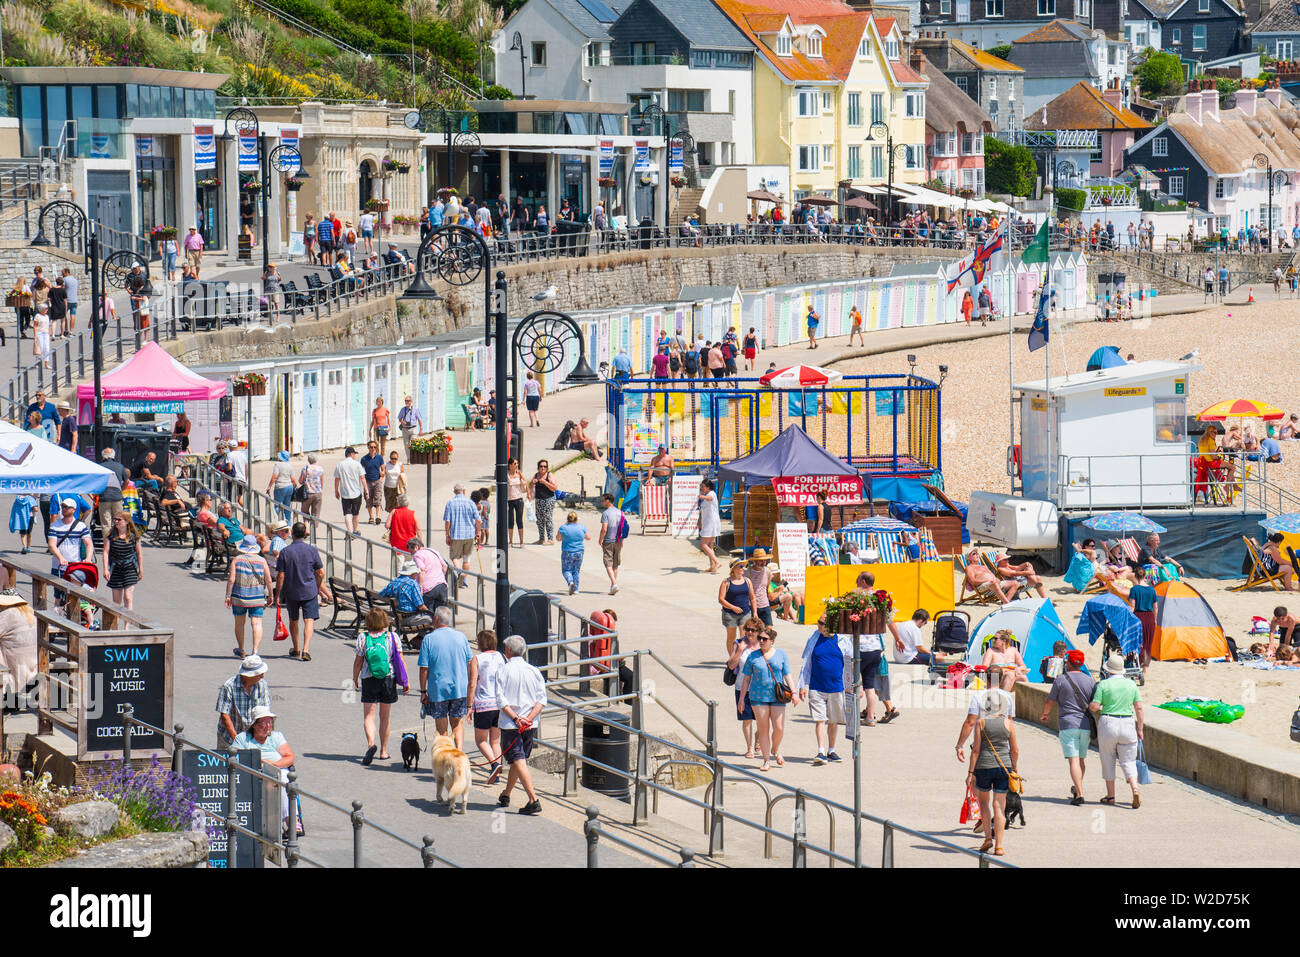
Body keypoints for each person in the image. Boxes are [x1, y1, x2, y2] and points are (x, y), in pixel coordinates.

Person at [496, 634, 547, 815]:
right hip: (530, 724)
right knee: (520, 760)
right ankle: (506, 793)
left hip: (511, 724)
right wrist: (529, 718)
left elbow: (501, 700)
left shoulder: (503, 671)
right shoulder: (534, 671)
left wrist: (517, 718)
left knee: (518, 760)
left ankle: (533, 799)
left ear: (508, 650)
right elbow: (541, 700)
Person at [352, 607, 409, 765]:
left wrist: (354, 679)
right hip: (388, 678)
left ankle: (371, 744)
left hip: (369, 678)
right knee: (385, 717)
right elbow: (401, 660)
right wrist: (405, 681)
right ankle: (383, 751)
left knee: (369, 716)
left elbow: (358, 661)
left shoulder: (363, 637)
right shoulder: (392, 636)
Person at [967, 689, 1019, 856]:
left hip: (983, 766)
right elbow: (1015, 750)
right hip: (1004, 767)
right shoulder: (1008, 724)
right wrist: (1015, 768)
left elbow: (976, 750)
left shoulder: (981, 723)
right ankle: (999, 846)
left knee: (984, 802)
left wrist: (970, 772)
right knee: (999, 805)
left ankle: (988, 838)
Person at [1040, 649, 1095, 806]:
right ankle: (1078, 789)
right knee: (1081, 760)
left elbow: (1050, 701)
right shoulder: (1089, 680)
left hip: (1067, 724)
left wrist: (1045, 714)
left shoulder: (1060, 680)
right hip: (1085, 724)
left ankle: (1080, 794)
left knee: (1073, 761)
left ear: (1068, 663)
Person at [1089, 653, 1144, 808]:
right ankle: (1135, 788)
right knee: (1128, 761)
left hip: (1108, 723)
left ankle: (1111, 795)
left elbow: (1094, 707)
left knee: (1108, 758)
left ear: (1108, 670)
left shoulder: (1104, 685)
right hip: (1127, 722)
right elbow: (1139, 708)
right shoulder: (1131, 685)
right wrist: (1140, 729)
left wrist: (1096, 706)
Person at [418, 606, 477, 750]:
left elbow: (424, 668)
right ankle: (459, 752)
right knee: (457, 723)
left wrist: (423, 691)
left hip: (438, 689)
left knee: (441, 724)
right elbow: (470, 661)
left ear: (436, 619)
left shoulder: (429, 639)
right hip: (459, 688)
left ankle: (446, 754)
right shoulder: (461, 637)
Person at [230, 706, 295, 831]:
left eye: (270, 722)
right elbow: (236, 759)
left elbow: (290, 757)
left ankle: (290, 820)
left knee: (282, 779)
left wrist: (273, 765)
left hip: (277, 770)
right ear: (254, 725)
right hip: (253, 772)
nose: (267, 726)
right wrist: (258, 762)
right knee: (277, 779)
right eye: (263, 723)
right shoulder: (243, 739)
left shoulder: (276, 737)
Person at [797, 616, 852, 765]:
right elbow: (806, 663)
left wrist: (852, 686)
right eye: (818, 622)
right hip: (816, 686)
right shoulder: (814, 638)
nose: (818, 625)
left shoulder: (843, 641)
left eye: (821, 623)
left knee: (833, 721)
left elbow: (850, 664)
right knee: (820, 720)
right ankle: (821, 751)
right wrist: (802, 685)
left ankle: (831, 750)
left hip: (836, 687)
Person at [737, 627, 791, 771]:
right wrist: (742, 699)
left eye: (764, 639)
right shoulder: (753, 656)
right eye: (760, 638)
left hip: (777, 696)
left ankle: (775, 749)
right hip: (758, 697)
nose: (761, 641)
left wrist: (794, 692)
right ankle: (766, 760)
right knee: (763, 729)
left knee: (779, 728)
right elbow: (746, 679)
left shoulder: (781, 654)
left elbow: (787, 674)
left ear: (771, 641)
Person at [275, 522, 328, 661]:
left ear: (292, 533)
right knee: (309, 620)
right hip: (309, 590)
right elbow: (321, 573)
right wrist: (317, 587)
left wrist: (277, 594)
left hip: (291, 590)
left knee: (294, 619)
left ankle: (296, 648)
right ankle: (306, 649)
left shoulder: (285, 552)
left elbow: (280, 575)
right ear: (305, 534)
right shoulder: (312, 550)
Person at [466, 629, 506, 784]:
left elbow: (472, 683)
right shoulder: (502, 657)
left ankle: (495, 764)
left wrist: (469, 705)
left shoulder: (477, 658)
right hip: (499, 704)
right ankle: (497, 772)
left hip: (483, 704)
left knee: (481, 740)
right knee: (495, 741)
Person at [226, 537, 272, 658]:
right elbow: (268, 580)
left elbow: (231, 579)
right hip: (257, 596)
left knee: (239, 623)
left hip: (239, 596)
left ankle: (241, 649)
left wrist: (228, 595)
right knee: (257, 623)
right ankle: (255, 651)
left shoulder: (236, 560)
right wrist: (271, 595)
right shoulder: (262, 560)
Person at [215, 654, 270, 749]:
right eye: (259, 674)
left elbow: (265, 713)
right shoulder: (229, 686)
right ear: (249, 675)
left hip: (254, 737)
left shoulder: (262, 685)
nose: (262, 676)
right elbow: (225, 715)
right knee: (228, 762)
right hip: (229, 737)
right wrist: (237, 740)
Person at [727, 619, 763, 758]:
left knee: (762, 719)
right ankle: (749, 747)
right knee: (747, 719)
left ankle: (758, 737)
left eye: (753, 630)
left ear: (759, 632)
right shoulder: (739, 644)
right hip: (741, 687)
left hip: (760, 688)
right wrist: (740, 651)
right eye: (747, 629)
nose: (749, 632)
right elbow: (731, 665)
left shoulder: (763, 644)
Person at [103, 512, 142, 610]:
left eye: (119, 520)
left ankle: (126, 625)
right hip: (116, 569)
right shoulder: (110, 536)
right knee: (116, 602)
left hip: (130, 568)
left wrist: (141, 570)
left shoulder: (133, 536)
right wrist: (105, 569)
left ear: (127, 521)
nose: (116, 521)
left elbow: (139, 553)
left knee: (128, 598)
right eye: (115, 519)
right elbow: (105, 552)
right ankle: (115, 624)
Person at [380, 559, 434, 630]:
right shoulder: (412, 584)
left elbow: (381, 594)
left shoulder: (394, 582)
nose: (417, 575)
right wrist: (431, 614)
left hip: (396, 616)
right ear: (412, 573)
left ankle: (418, 638)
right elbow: (420, 606)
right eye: (416, 573)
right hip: (409, 618)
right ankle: (420, 639)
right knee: (430, 619)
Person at [718, 558, 756, 654]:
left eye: (744, 566)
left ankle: (740, 657)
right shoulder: (726, 582)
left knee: (744, 637)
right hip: (730, 614)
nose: (744, 568)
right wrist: (733, 607)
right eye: (741, 566)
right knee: (731, 638)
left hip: (745, 613)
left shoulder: (747, 581)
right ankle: (732, 658)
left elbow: (752, 598)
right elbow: (721, 599)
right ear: (734, 568)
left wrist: (755, 612)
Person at [443, 483, 481, 573]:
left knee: (454, 557)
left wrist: (447, 535)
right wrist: (478, 533)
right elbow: (478, 520)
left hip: (456, 534)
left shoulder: (450, 503)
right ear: (464, 491)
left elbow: (448, 521)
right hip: (469, 534)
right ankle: (463, 578)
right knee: (466, 558)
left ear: (454, 492)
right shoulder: (471, 503)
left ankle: (459, 573)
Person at [1127, 567, 1159, 670]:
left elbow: (1132, 606)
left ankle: (1135, 664)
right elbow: (1155, 607)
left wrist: (1127, 618)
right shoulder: (1152, 589)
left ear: (1135, 577)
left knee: (1136, 642)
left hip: (1138, 617)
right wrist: (1154, 619)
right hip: (1149, 617)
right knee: (1147, 643)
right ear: (1145, 576)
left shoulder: (1134, 589)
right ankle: (1145, 667)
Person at [554, 510, 590, 596]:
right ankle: (576, 589)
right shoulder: (582, 527)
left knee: (566, 570)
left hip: (568, 551)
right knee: (576, 571)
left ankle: (570, 582)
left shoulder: (563, 528)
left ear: (567, 519)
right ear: (577, 519)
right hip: (579, 552)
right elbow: (588, 537)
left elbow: (558, 539)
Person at [333, 446, 366, 536]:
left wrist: (336, 490)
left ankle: (350, 531)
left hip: (345, 493)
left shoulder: (340, 465)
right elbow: (362, 478)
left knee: (347, 513)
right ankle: (355, 531)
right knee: (355, 514)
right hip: (356, 493)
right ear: (351, 454)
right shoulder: (357, 464)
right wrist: (366, 490)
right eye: (354, 454)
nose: (355, 455)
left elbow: (337, 479)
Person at [597, 493, 623, 596]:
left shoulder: (606, 513)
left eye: (603, 500)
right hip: (618, 540)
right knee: (615, 564)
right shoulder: (620, 513)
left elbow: (604, 529)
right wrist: (622, 542)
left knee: (607, 562)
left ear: (608, 501)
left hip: (609, 540)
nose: (602, 502)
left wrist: (600, 540)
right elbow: (623, 529)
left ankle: (614, 584)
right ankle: (613, 586)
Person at [529, 459, 557, 544]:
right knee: (539, 519)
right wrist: (532, 483)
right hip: (539, 499)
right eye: (541, 466)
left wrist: (545, 482)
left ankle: (550, 539)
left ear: (547, 468)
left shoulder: (549, 475)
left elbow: (554, 488)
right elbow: (530, 486)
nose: (543, 468)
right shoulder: (536, 475)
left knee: (547, 518)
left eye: (545, 466)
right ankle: (541, 538)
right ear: (538, 468)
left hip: (549, 499)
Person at [265, 450, 297, 521]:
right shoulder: (290, 466)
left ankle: (281, 520)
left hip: (280, 487)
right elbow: (293, 479)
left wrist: (269, 487)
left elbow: (275, 476)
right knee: (287, 506)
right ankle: (288, 523)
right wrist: (295, 487)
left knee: (277, 505)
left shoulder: (277, 465)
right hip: (289, 487)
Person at [698, 478, 722, 573]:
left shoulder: (711, 494)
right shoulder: (707, 495)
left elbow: (710, 498)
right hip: (709, 523)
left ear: (708, 487)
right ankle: (712, 567)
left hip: (711, 523)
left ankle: (717, 562)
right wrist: (699, 521)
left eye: (703, 486)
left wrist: (702, 497)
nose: (701, 488)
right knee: (710, 545)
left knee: (703, 545)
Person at [745, 548, 774, 626]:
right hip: (750, 606)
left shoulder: (768, 571)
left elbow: (767, 588)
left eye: (765, 560)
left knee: (768, 631)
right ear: (754, 561)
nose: (763, 562)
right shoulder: (747, 573)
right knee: (753, 631)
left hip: (765, 605)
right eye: (760, 560)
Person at [359, 440, 385, 526]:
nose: (373, 449)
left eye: (375, 447)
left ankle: (378, 517)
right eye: (371, 447)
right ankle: (371, 517)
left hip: (377, 481)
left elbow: (383, 469)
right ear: (368, 448)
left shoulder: (380, 457)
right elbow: (361, 471)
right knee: (368, 499)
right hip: (368, 482)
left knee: (378, 498)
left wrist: (381, 477)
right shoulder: (364, 459)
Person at [397, 395, 423, 461]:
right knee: (406, 445)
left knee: (412, 444)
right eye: (405, 401)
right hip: (405, 429)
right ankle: (409, 458)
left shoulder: (415, 409)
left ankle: (414, 458)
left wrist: (421, 429)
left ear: (411, 401)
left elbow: (419, 419)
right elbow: (399, 418)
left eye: (408, 401)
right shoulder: (403, 409)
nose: (406, 402)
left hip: (413, 429)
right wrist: (402, 421)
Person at [299, 453, 324, 519]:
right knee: (316, 513)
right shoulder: (320, 469)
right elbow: (321, 483)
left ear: (308, 460)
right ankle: (314, 528)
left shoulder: (305, 469)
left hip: (307, 494)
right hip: (318, 493)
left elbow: (300, 481)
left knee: (304, 512)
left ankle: (306, 527)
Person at [381, 449, 406, 515]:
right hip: (388, 487)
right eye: (392, 458)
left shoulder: (400, 464)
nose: (394, 460)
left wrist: (403, 484)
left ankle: (397, 517)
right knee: (389, 504)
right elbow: (382, 474)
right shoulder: (386, 464)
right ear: (390, 458)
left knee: (398, 503)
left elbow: (403, 474)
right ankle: (391, 517)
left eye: (395, 458)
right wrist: (381, 474)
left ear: (397, 458)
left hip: (397, 487)